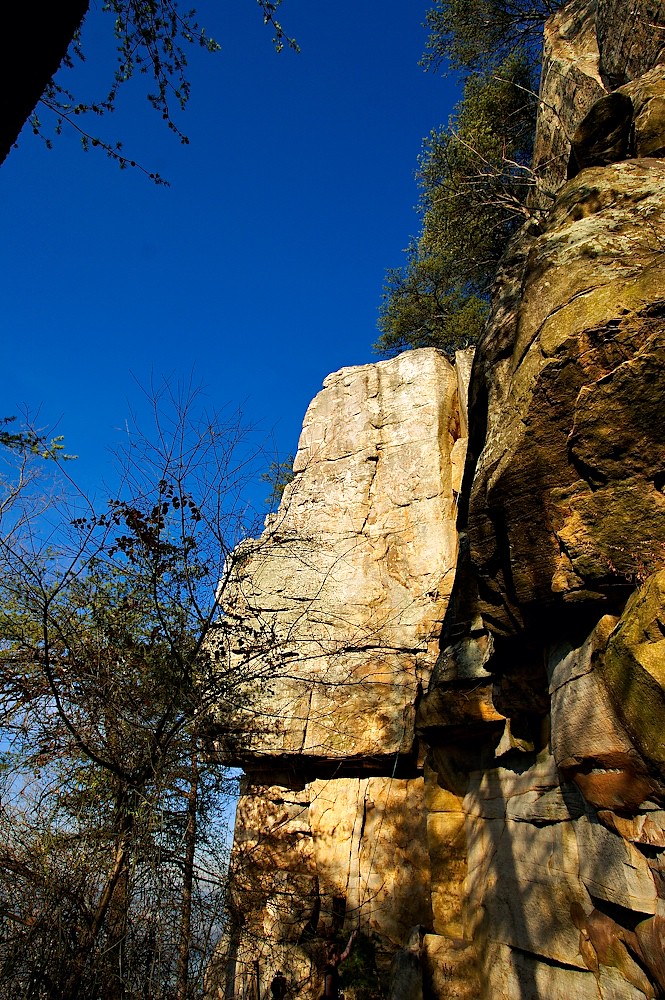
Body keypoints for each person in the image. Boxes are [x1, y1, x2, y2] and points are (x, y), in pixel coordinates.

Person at [321, 929, 357, 999]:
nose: (339, 954)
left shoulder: (335, 964)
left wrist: (351, 938)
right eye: (337, 953)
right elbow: (328, 993)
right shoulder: (328, 968)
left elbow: (346, 952)